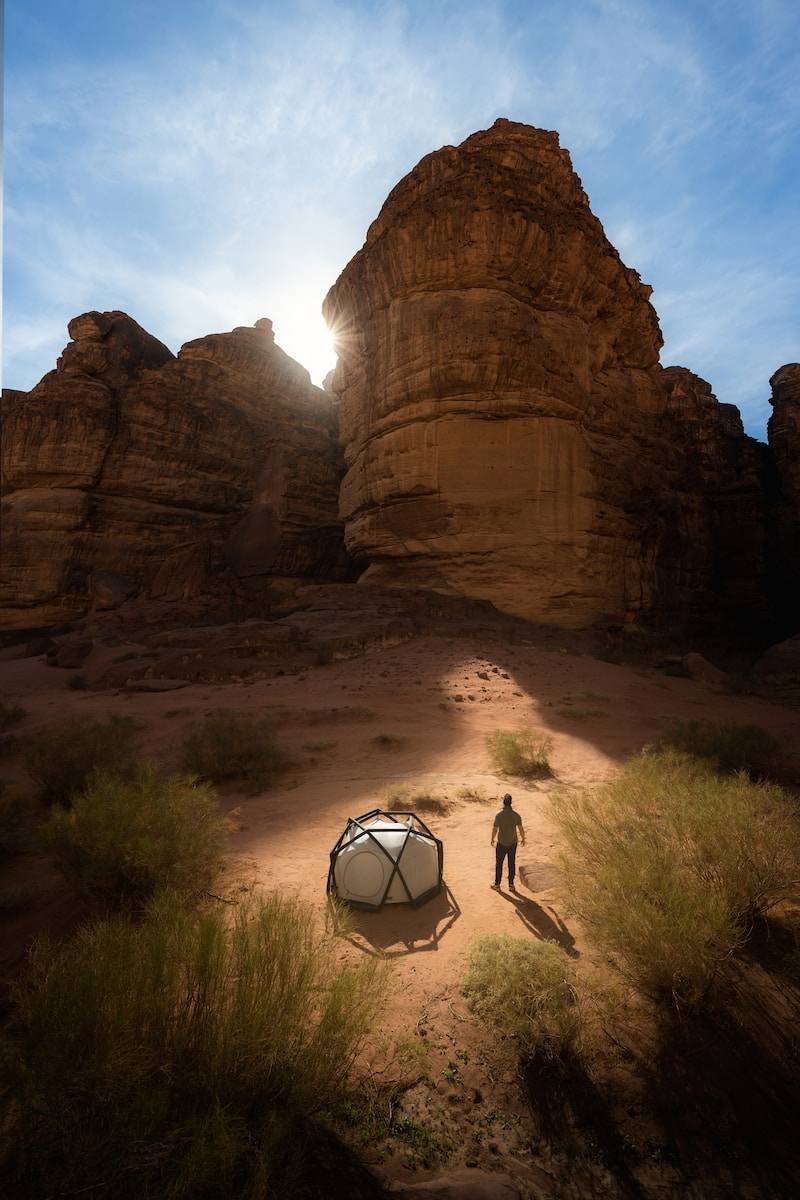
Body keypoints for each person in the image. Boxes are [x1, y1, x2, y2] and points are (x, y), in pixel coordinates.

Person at [490, 793, 525, 890]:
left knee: (499, 864)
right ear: (511, 803)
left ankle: (497, 885)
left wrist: (492, 839)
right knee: (511, 863)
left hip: (501, 843)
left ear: (503, 803)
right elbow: (521, 829)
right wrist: (523, 838)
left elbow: (495, 829)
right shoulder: (516, 815)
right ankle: (511, 885)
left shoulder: (499, 815)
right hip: (513, 843)